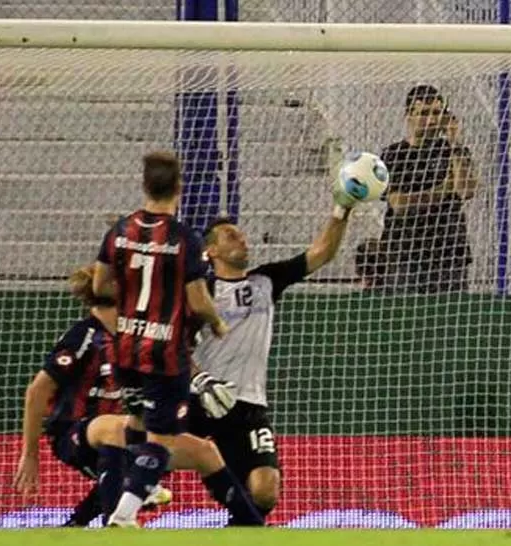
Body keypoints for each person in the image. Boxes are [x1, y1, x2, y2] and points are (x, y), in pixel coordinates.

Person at [93, 151, 258, 527]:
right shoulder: (184, 239)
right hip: (164, 353)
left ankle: (143, 486)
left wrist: (133, 297)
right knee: (161, 439)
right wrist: (216, 322)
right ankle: (124, 513)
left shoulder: (119, 230)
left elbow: (101, 284)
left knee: (135, 421)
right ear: (179, 188)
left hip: (125, 349)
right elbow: (199, 300)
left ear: (144, 185)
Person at [187, 182, 359, 525]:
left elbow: (321, 252)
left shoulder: (266, 280)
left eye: (242, 234)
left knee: (265, 490)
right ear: (212, 251)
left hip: (248, 404)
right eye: (231, 236)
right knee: (147, 455)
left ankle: (240, 528)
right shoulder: (200, 291)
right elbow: (177, 347)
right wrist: (200, 380)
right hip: (202, 399)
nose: (242, 239)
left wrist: (342, 210)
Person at [11, 265, 171, 526]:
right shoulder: (84, 336)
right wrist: (30, 454)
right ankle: (119, 523)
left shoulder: (134, 337)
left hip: (118, 434)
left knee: (180, 444)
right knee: (116, 428)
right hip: (71, 431)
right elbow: (36, 392)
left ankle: (75, 526)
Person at [378, 84, 479, 293]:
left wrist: (454, 141)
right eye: (424, 113)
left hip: (450, 253)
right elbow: (400, 204)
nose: (432, 120)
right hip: (406, 254)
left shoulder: (452, 151)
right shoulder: (393, 154)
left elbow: (465, 189)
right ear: (409, 116)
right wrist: (443, 190)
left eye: (437, 113)